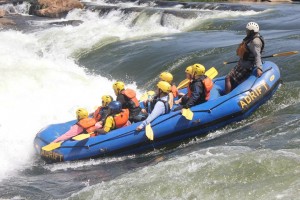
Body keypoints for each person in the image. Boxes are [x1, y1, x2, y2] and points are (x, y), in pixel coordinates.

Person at [225, 21, 264, 94]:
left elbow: (257, 55)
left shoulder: (255, 42)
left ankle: (226, 97)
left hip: (245, 67)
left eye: (247, 31)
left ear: (251, 31)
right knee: (230, 79)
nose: (246, 32)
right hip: (242, 64)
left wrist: (259, 68)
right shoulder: (251, 38)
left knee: (227, 78)